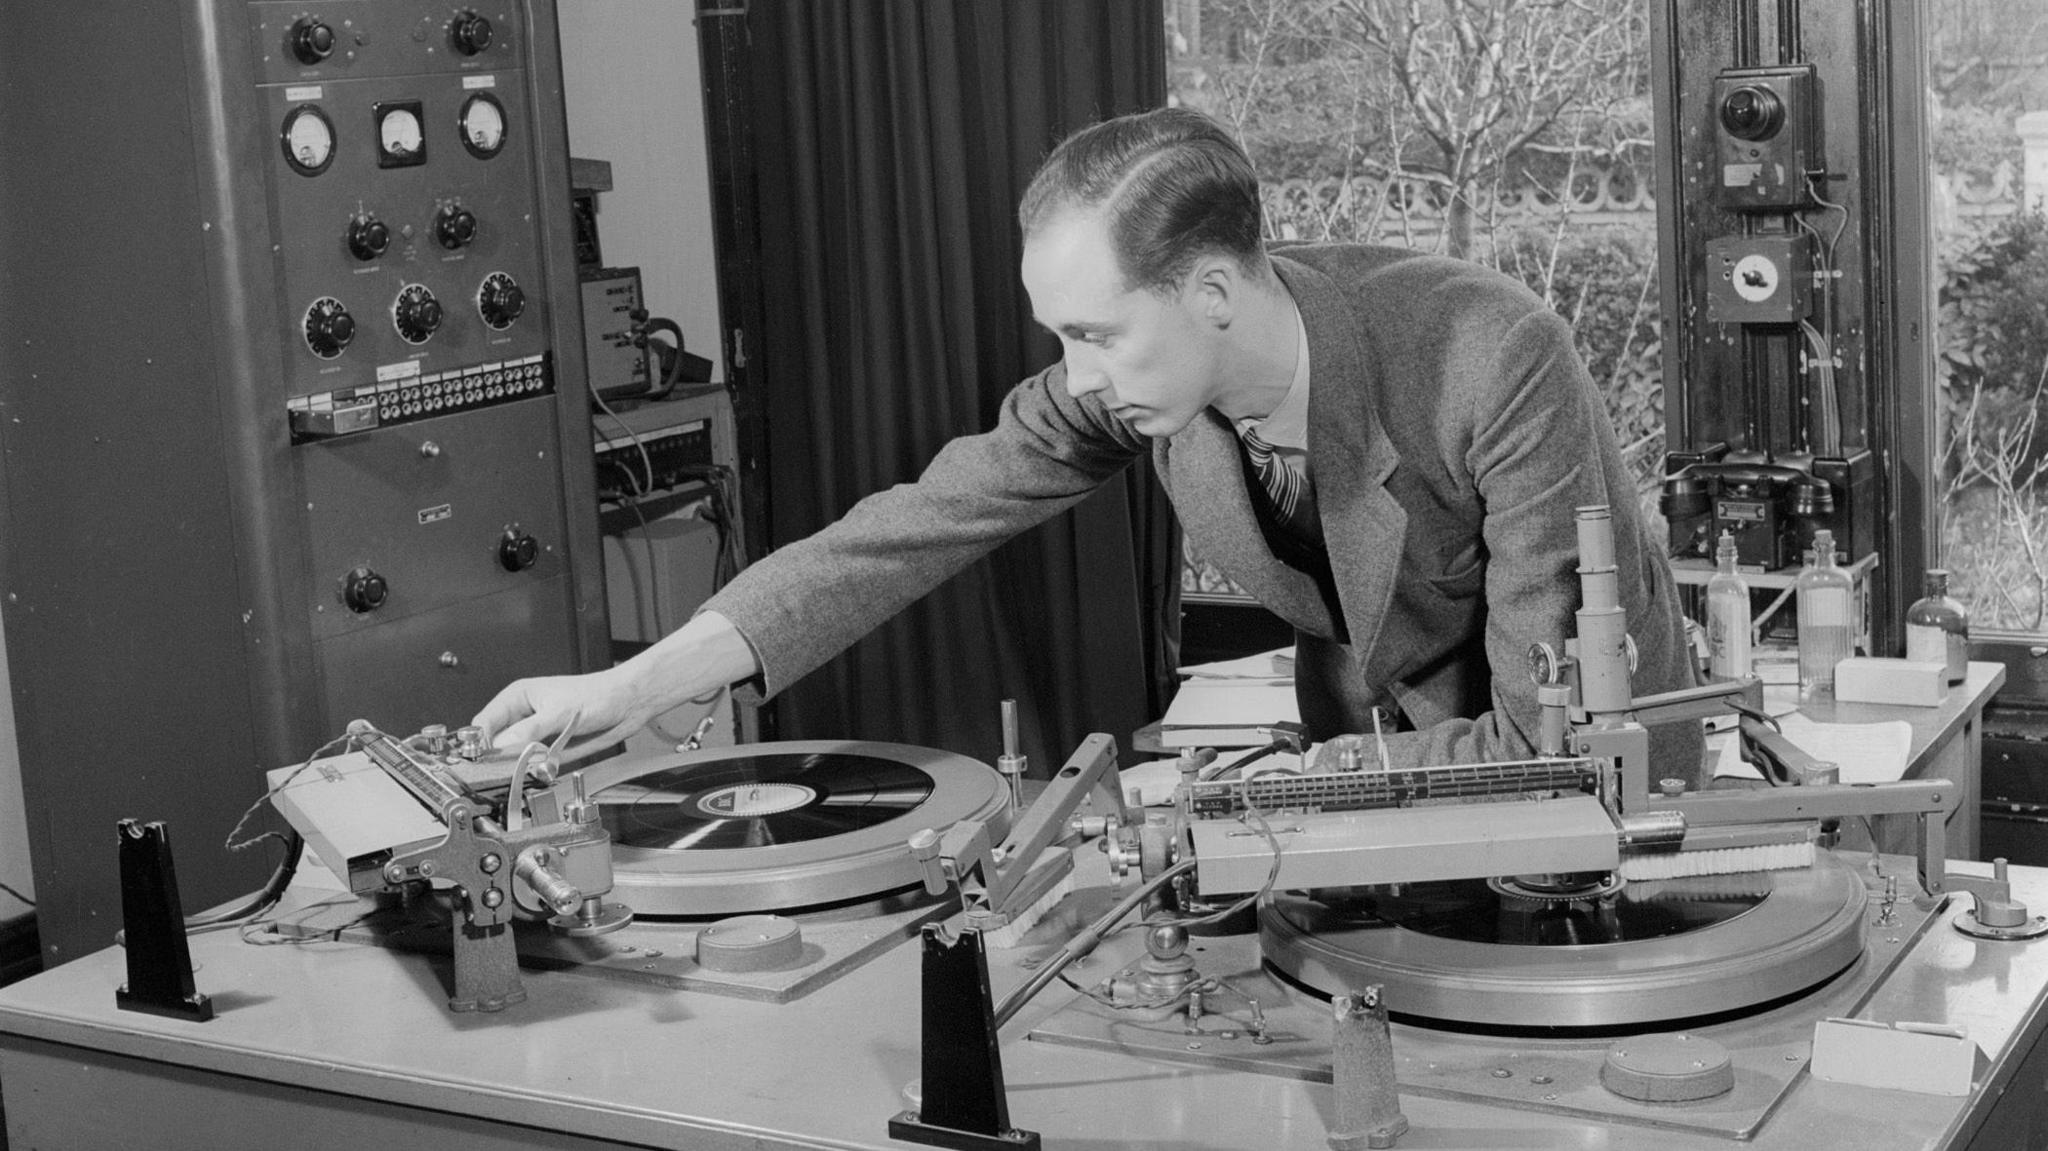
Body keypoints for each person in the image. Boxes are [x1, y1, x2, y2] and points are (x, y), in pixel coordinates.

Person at [475, 106, 1700, 778]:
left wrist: (1287, 793)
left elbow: (1553, 733)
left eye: (1094, 332)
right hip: (1366, 765)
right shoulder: (1132, 380)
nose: (1077, 378)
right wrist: (634, 684)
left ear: (1212, 292)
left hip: (1599, 782)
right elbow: (909, 526)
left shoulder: (1490, 355)